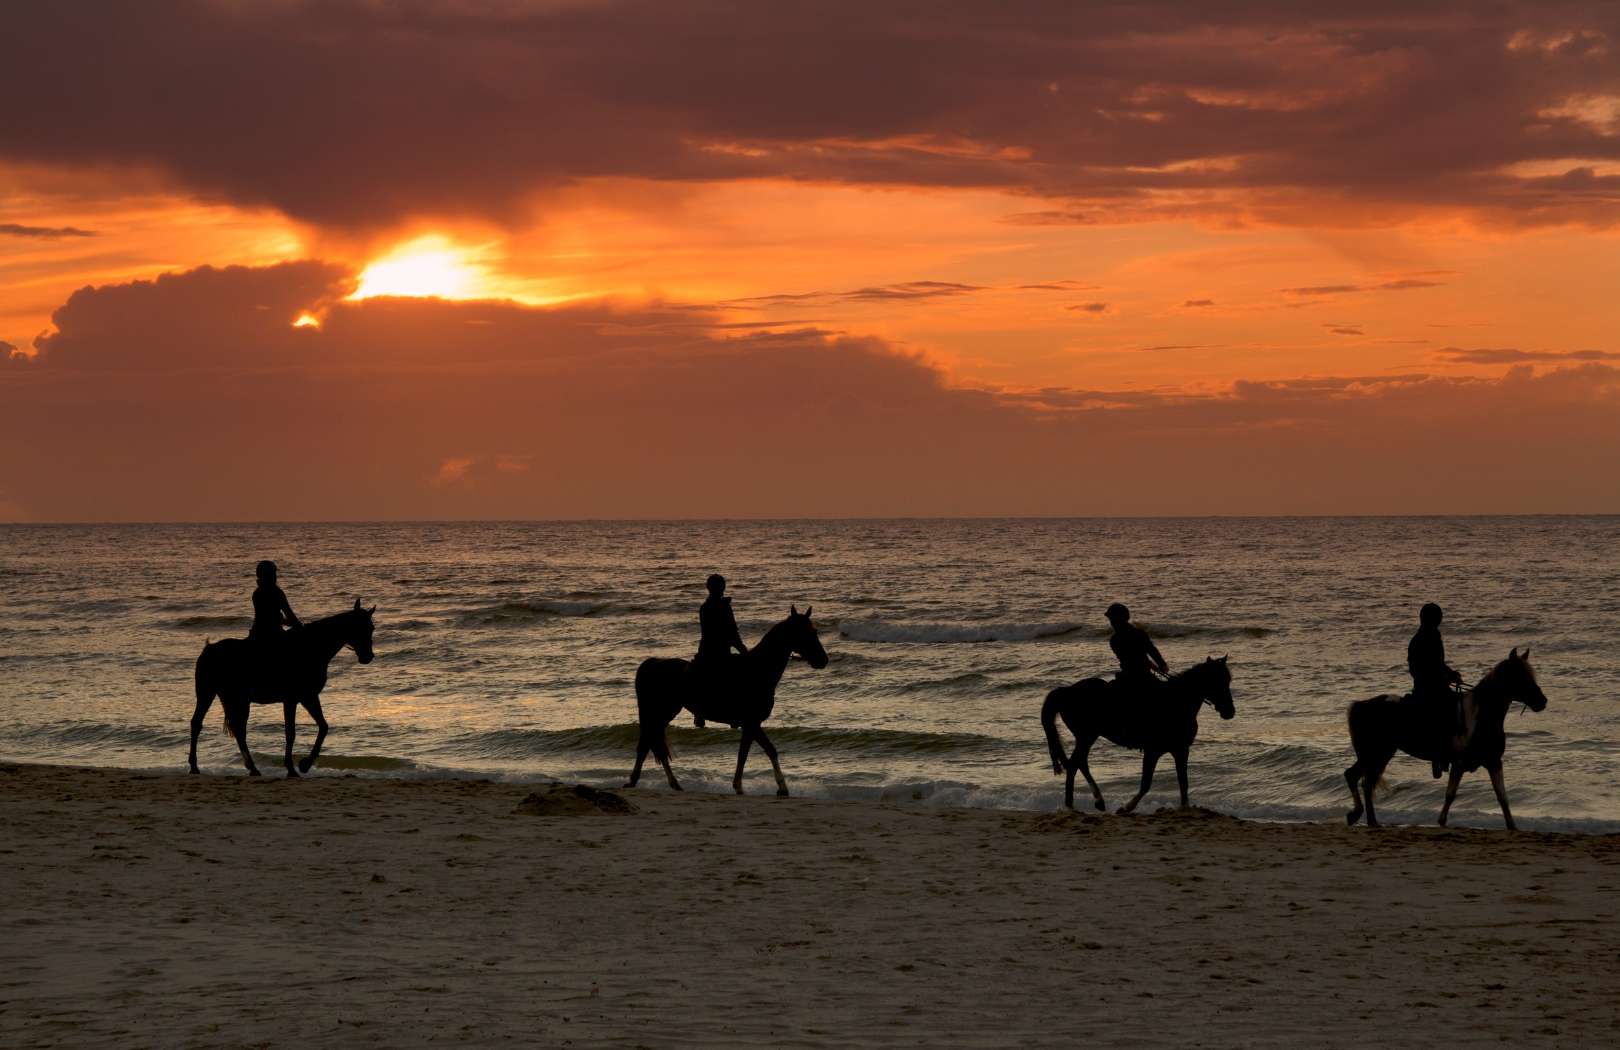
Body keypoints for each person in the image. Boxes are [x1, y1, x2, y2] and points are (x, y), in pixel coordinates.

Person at [1409, 602, 1464, 778]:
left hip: (1435, 686)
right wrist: (1444, 678)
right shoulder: (1424, 638)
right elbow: (1421, 669)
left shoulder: (1431, 635)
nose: (1440, 620)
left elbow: (1438, 665)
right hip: (1428, 689)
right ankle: (1440, 756)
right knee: (1450, 712)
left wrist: (1450, 673)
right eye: (1438, 617)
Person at [691, 574, 747, 727]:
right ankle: (701, 712)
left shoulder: (711, 606)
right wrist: (743, 650)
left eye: (721, 586)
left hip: (714, 650)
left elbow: (731, 632)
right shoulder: (715, 607)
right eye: (719, 586)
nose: (721, 589)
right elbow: (730, 633)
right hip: (713, 651)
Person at [1105, 602, 1168, 692]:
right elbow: (1150, 651)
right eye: (1111, 620)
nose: (1112, 623)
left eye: (1113, 620)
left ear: (1121, 619)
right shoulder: (1139, 633)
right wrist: (1162, 665)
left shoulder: (1114, 639)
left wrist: (1153, 664)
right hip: (1143, 676)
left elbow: (1130, 659)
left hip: (1126, 677)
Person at [249, 560, 301, 645]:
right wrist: (299, 626)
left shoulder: (257, 592)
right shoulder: (276, 592)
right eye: (273, 574)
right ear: (270, 576)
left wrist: (283, 621)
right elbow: (289, 614)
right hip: (274, 634)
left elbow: (265, 617)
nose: (275, 576)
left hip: (257, 633)